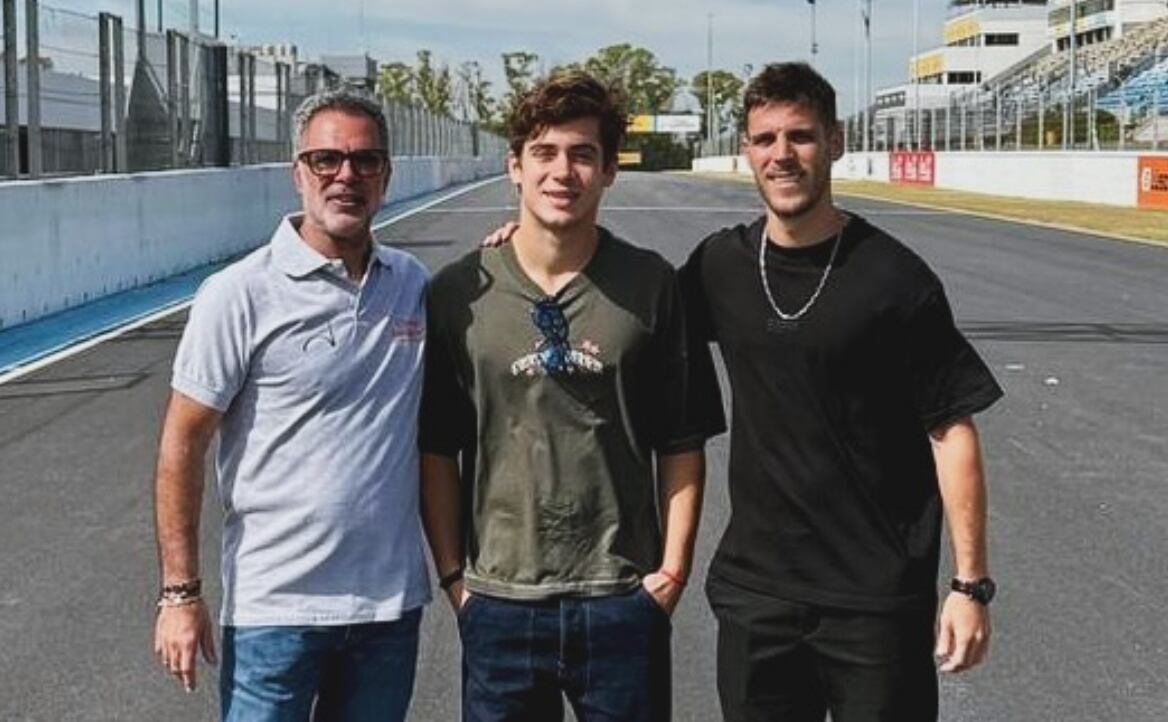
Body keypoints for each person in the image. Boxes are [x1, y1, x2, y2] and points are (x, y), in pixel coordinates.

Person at [679, 62, 1002, 721]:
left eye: (799, 136)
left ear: (835, 141)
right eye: (765, 139)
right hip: (758, 595)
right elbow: (633, 318)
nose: (782, 155)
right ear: (746, 151)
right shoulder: (720, 266)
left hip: (875, 602)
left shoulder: (895, 279)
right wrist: (534, 241)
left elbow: (952, 431)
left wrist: (970, 586)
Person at [419, 72, 724, 722]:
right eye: (545, 153)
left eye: (583, 154)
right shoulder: (457, 293)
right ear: (515, 167)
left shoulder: (652, 286)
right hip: (499, 602)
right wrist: (455, 581)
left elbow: (681, 442)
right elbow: (437, 448)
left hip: (619, 597)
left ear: (610, 169)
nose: (564, 171)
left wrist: (669, 576)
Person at [152, 87, 430, 722]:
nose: (346, 176)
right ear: (297, 172)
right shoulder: (238, 293)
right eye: (326, 159)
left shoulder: (413, 284)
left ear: (386, 174)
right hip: (274, 611)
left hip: (388, 608)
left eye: (365, 161)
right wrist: (179, 594)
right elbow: (182, 443)